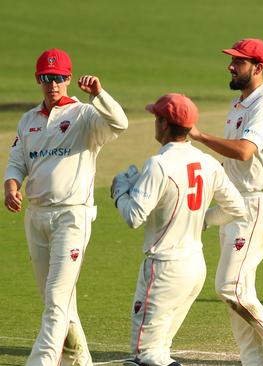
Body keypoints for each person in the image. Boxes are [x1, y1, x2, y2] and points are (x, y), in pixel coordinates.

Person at [3, 48, 128, 366]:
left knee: (57, 298)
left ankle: (41, 362)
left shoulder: (85, 116)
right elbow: (17, 161)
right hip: (36, 217)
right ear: (38, 80)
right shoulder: (29, 120)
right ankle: (81, 359)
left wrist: (99, 94)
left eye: (59, 78)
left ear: (69, 79)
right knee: (55, 299)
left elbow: (120, 123)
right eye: (47, 78)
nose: (53, 84)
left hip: (72, 216)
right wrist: (11, 186)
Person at [111, 93, 247, 366]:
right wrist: (201, 220)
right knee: (159, 351)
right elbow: (237, 209)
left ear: (163, 124)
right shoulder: (207, 162)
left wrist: (119, 192)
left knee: (144, 354)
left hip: (163, 269)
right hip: (194, 267)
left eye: (156, 118)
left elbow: (134, 216)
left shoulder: (158, 164)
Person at [188, 38, 263, 366]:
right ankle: (251, 360)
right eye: (232, 60)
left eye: (239, 61)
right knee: (238, 291)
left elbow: (244, 150)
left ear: (258, 68)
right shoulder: (240, 104)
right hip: (235, 204)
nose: (231, 66)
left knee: (230, 287)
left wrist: (199, 136)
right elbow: (232, 164)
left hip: (255, 204)